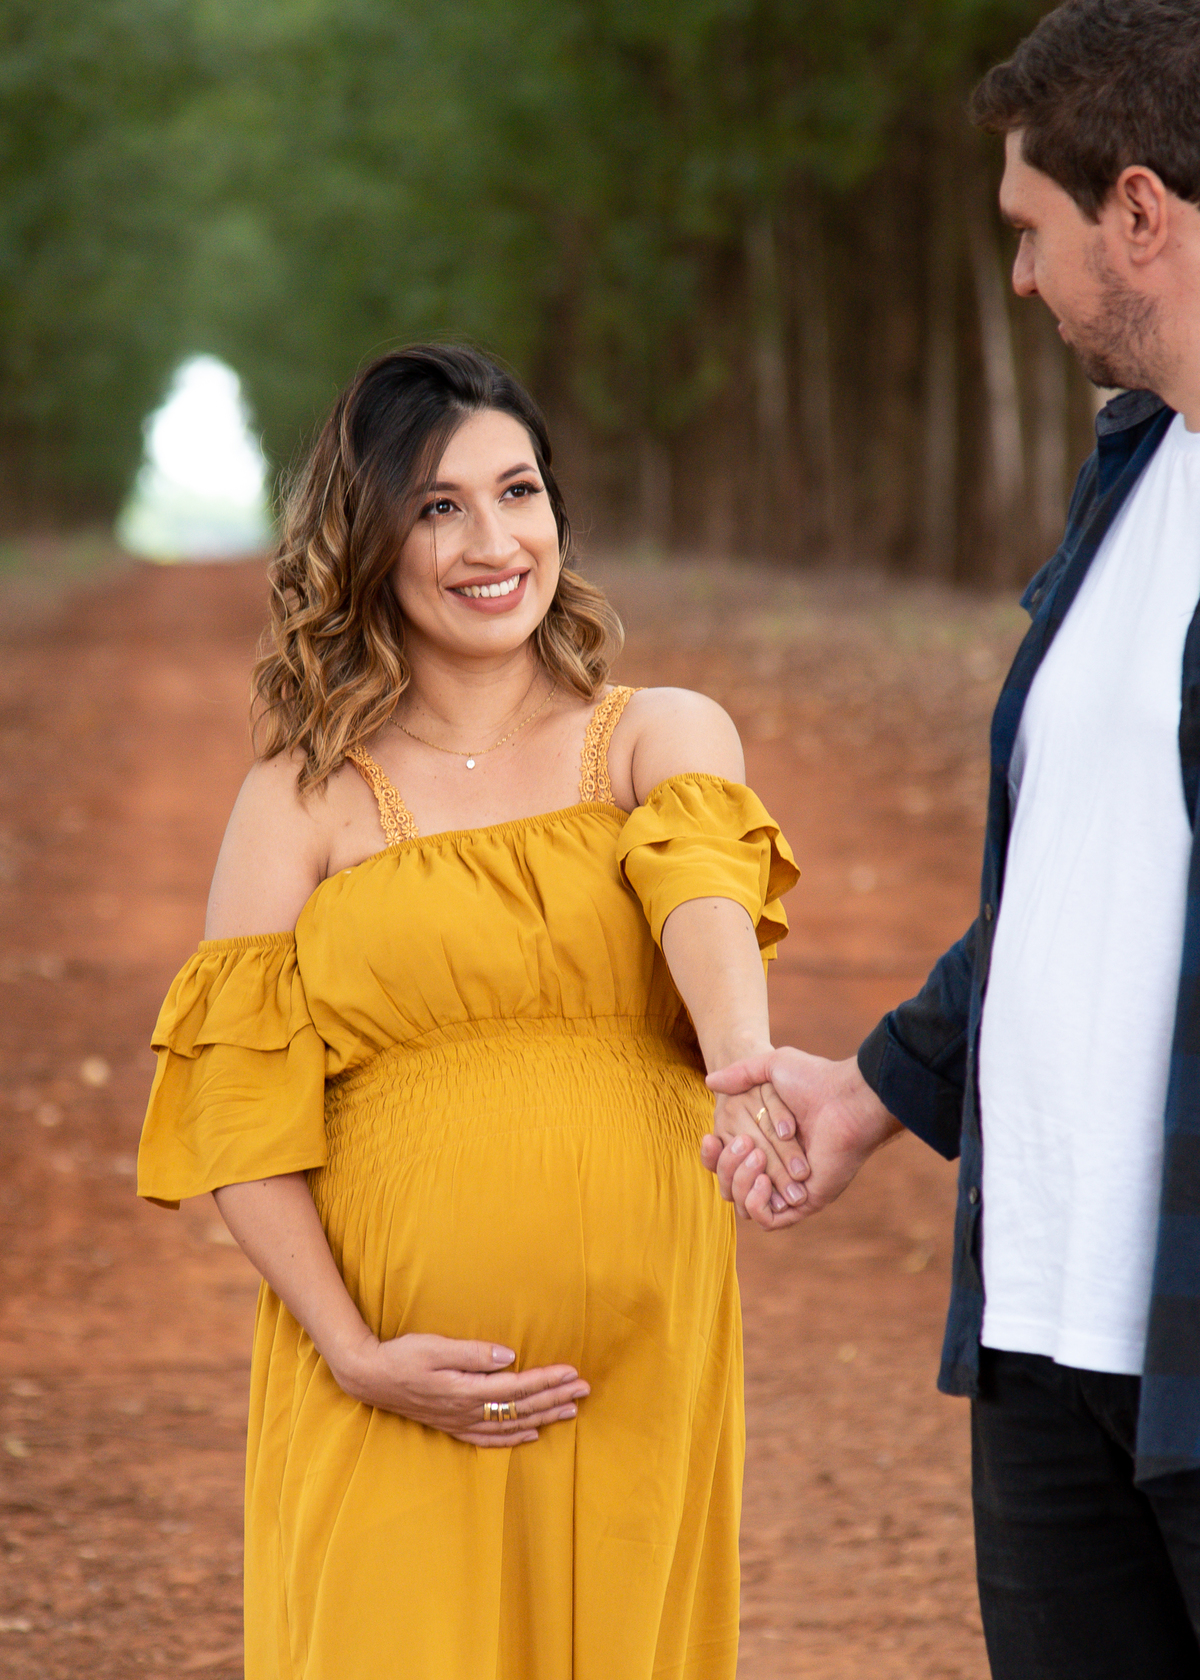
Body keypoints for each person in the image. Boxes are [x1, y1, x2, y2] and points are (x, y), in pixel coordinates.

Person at [136, 344, 798, 1680]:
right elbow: (242, 1103)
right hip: (391, 1383)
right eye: (439, 506)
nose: (493, 541)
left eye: (520, 492)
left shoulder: (660, 732)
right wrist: (355, 1351)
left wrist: (743, 1056)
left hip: (637, 1368)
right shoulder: (302, 797)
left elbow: (702, 892)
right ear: (370, 540)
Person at [700, 1, 1200, 1674]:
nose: (1019, 280)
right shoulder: (1134, 472)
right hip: (1050, 1321)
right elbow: (1075, 873)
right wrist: (883, 1087)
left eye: (1030, 233)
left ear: (1137, 210)